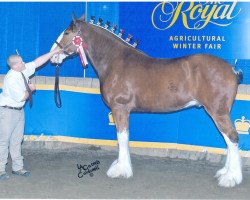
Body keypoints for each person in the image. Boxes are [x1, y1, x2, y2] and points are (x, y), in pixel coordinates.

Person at [0, 49, 61, 180]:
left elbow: (37, 62)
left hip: (18, 111)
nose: (24, 63)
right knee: (3, 141)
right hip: (7, 112)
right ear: (15, 65)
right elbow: (22, 97)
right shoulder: (11, 79)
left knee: (17, 140)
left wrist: (53, 52)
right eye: (21, 62)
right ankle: (0, 170)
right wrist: (31, 89)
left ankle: (17, 167)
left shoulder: (22, 70)